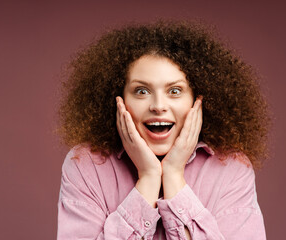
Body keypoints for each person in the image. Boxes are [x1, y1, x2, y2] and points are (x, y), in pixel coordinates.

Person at [57, 19, 270, 239]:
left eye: (175, 91)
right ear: (118, 100)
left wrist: (174, 176)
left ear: (196, 101)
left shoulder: (231, 168)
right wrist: (148, 179)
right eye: (141, 91)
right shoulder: (85, 166)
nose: (158, 106)